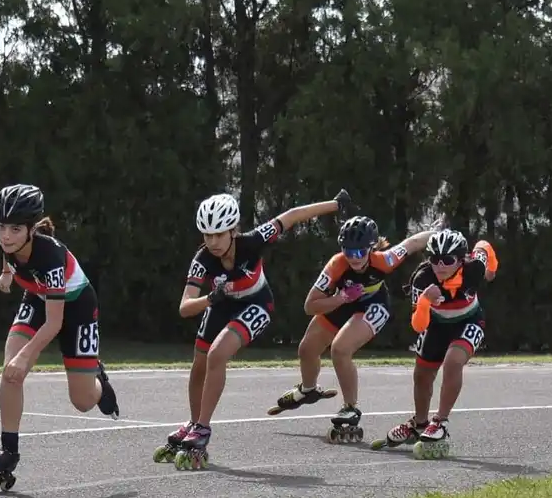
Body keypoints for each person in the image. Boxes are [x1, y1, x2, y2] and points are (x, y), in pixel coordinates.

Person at [153, 188, 357, 470]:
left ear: (233, 231)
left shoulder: (253, 241)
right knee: (199, 363)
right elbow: (185, 307)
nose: (212, 242)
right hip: (220, 304)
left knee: (217, 354)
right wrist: (210, 299)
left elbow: (293, 216)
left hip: (257, 304)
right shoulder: (202, 259)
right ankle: (193, 422)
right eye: (207, 235)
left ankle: (203, 427)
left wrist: (336, 204)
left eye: (219, 234)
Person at [0, 183, 121, 493]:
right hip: (37, 297)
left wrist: (27, 356)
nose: (6, 235)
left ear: (31, 230)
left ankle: (98, 380)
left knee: (83, 401)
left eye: (15, 229)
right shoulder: (8, 243)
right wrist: (7, 274)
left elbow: (55, 323)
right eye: (1, 226)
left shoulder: (50, 256)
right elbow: (9, 256)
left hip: (76, 309)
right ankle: (8, 453)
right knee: (10, 372)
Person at [267, 215, 436, 444]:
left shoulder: (383, 260)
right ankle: (308, 389)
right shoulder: (336, 265)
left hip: (372, 305)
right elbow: (310, 306)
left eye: (359, 252)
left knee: (340, 349)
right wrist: (340, 298)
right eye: (348, 251)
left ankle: (350, 407)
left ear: (371, 248)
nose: (353, 258)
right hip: (341, 302)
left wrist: (440, 236)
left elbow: (413, 243)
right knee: (307, 349)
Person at [370, 228, 499, 459]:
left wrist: (491, 271)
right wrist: (424, 301)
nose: (440, 266)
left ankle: (440, 421)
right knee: (421, 375)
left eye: (447, 260)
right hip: (437, 325)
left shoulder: (474, 269)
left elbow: (484, 246)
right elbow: (419, 326)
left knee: (452, 361)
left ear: (461, 260)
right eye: (434, 259)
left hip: (469, 321)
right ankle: (420, 424)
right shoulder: (422, 279)